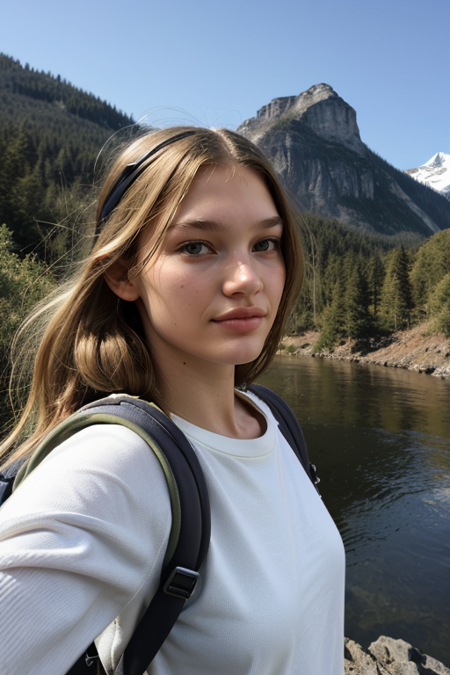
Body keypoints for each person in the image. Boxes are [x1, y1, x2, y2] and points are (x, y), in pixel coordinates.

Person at [0, 126, 346, 674]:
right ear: (122, 272)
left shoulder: (270, 418)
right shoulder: (117, 468)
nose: (246, 279)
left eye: (265, 244)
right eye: (196, 246)